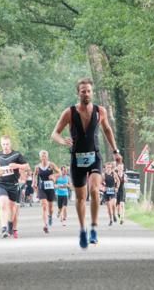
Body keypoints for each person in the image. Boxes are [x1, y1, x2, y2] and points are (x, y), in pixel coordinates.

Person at [51, 77, 122, 249]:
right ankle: (83, 230)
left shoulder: (100, 111)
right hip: (77, 159)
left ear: (92, 92)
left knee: (95, 190)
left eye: (89, 91)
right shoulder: (69, 112)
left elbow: (107, 130)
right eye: (83, 91)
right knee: (81, 197)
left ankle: (94, 229)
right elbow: (54, 133)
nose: (86, 93)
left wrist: (115, 151)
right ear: (78, 93)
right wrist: (63, 141)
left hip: (95, 157)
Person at [0, 136, 29, 238]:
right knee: (3, 204)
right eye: (4, 144)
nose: (5, 146)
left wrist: (17, 166)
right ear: (1, 144)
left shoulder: (17, 155)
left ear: (10, 144)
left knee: (12, 207)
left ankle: (10, 224)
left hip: (13, 185)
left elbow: (26, 166)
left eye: (7, 144)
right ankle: (4, 228)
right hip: (1, 184)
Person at [33, 150, 61, 233]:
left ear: (47, 157)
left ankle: (50, 216)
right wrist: (34, 182)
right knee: (44, 206)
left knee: (50, 208)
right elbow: (34, 175)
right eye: (42, 156)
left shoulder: (51, 165)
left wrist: (54, 175)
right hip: (42, 187)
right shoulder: (37, 167)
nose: (43, 157)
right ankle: (45, 225)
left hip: (50, 188)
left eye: (45, 156)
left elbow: (59, 172)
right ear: (40, 157)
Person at [102, 162, 120, 226]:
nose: (109, 168)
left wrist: (117, 187)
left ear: (111, 168)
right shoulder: (104, 175)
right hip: (106, 192)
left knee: (113, 204)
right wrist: (103, 188)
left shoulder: (114, 174)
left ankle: (114, 214)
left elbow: (118, 181)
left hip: (113, 190)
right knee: (109, 207)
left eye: (110, 167)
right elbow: (100, 183)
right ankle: (111, 220)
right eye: (107, 167)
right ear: (105, 168)